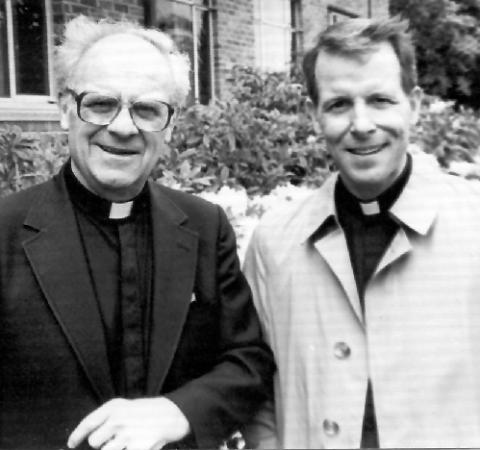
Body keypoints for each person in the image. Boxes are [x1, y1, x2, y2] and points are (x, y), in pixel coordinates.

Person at [0, 15, 275, 450]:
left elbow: (248, 361)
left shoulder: (204, 226)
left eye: (147, 109)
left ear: (169, 125)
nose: (124, 127)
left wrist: (179, 410)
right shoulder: (5, 232)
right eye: (100, 103)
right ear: (64, 110)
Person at [243, 16, 480, 448]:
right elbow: (255, 384)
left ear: (416, 104)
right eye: (338, 104)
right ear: (315, 114)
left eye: (380, 100)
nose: (362, 123)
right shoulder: (273, 242)